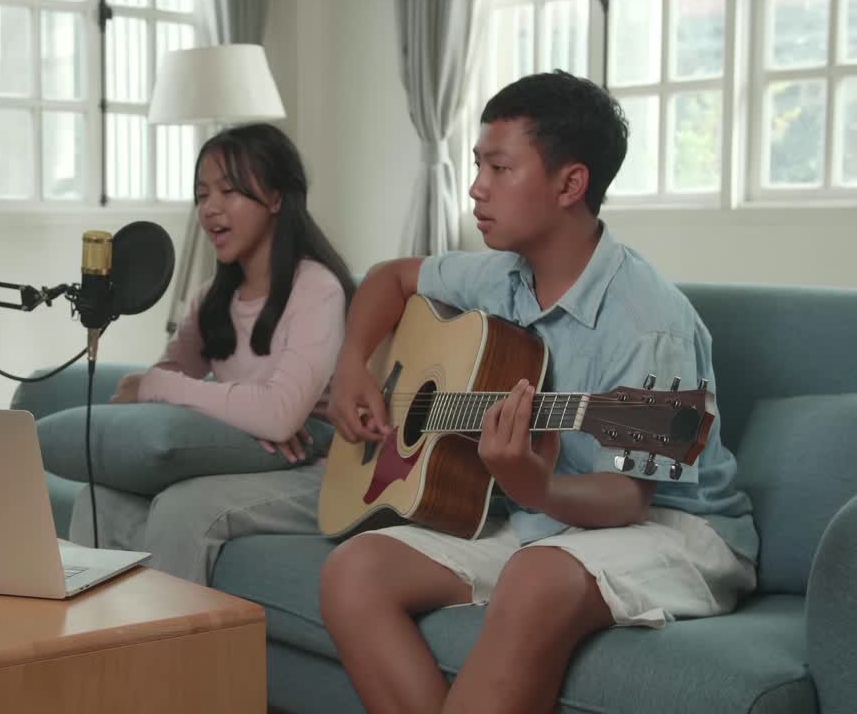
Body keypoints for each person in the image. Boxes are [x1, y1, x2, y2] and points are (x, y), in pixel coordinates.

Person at [319, 71, 758, 714]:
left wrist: (534, 487)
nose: (476, 187)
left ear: (569, 184)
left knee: (538, 574)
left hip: (675, 525)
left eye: (499, 168)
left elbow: (627, 496)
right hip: (548, 520)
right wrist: (353, 363)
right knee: (353, 573)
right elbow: (390, 279)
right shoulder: (501, 278)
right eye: (478, 165)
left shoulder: (647, 323)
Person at [65, 122, 356, 585]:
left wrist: (165, 388)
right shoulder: (211, 299)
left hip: (323, 473)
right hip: (254, 463)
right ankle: (92, 650)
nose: (210, 208)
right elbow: (138, 393)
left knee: (186, 509)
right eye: (202, 194)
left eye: (228, 190)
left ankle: (168, 656)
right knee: (98, 501)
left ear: (277, 198)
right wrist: (244, 414)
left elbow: (278, 417)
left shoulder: (316, 289)